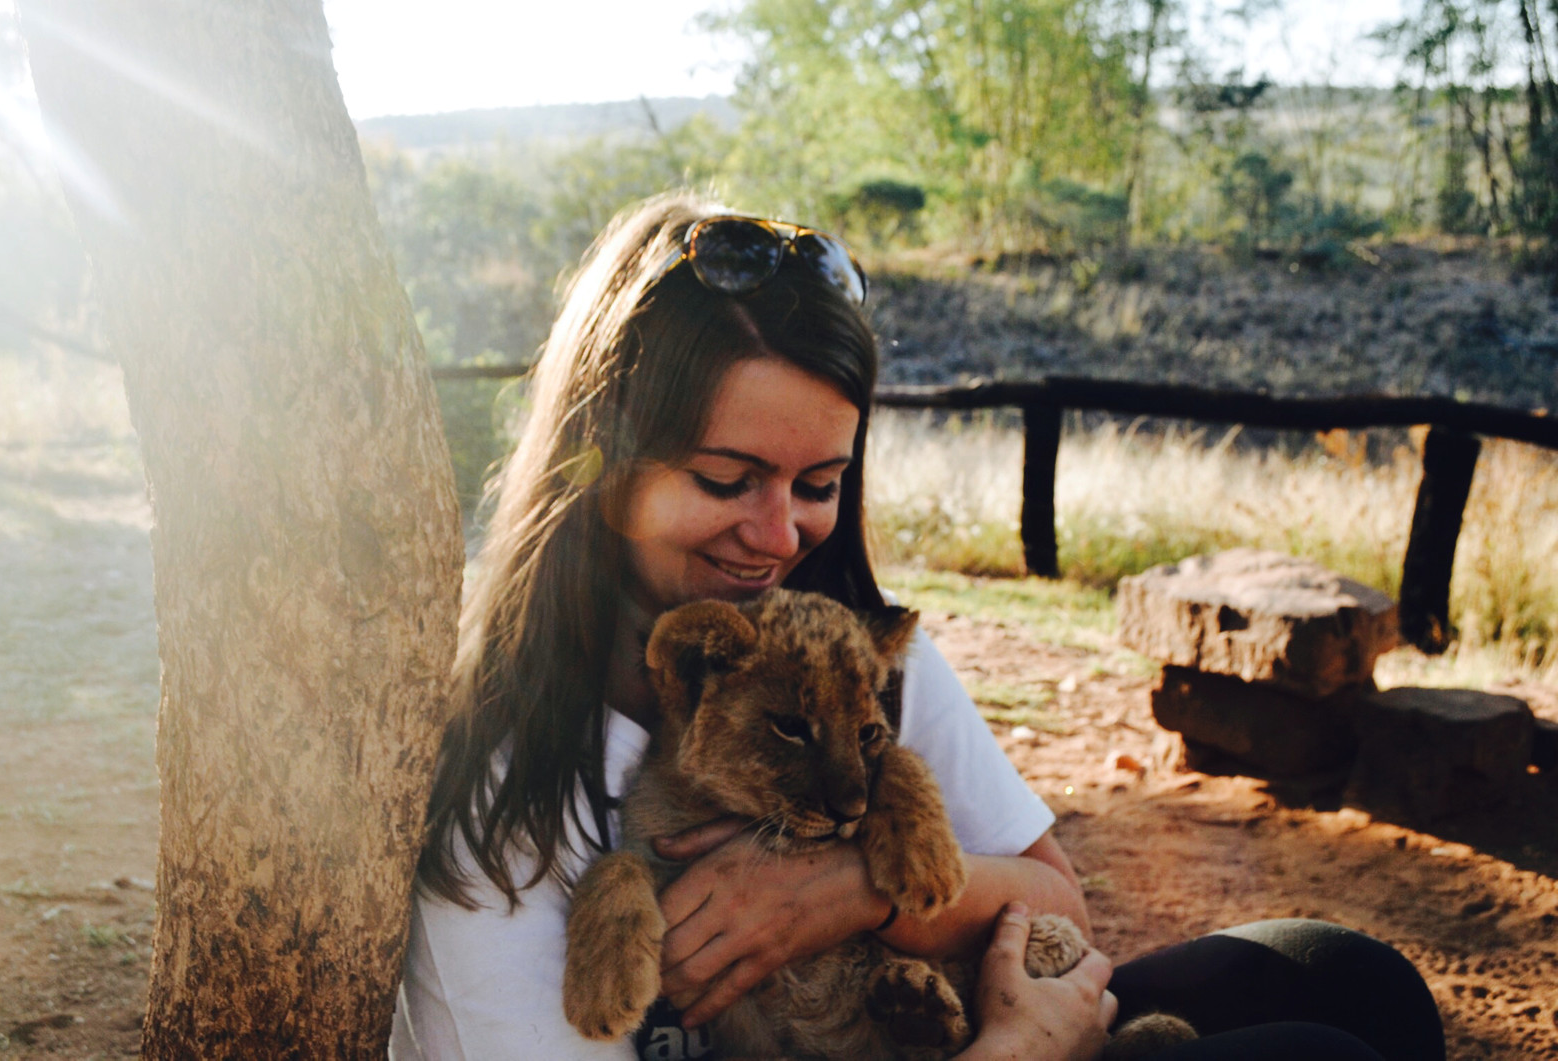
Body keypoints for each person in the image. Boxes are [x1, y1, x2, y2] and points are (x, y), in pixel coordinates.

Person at [389, 193, 1444, 1061]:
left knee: (1353, 980)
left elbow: (1049, 894)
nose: (776, 535)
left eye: (819, 482)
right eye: (725, 478)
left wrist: (849, 889)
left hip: (930, 1013)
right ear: (599, 461)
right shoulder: (504, 793)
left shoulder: (847, 651)